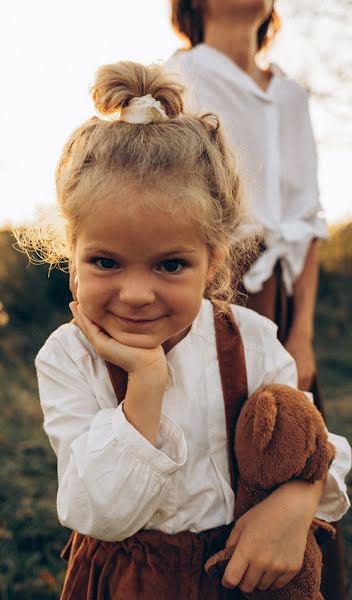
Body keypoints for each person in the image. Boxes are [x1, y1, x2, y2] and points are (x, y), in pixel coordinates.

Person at [23, 61, 350, 599]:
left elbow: (319, 445)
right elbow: (97, 512)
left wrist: (297, 499)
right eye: (105, 262)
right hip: (124, 584)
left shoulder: (251, 338)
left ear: (213, 260)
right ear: (71, 255)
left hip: (233, 579)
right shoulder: (67, 357)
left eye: (170, 265)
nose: (134, 293)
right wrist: (146, 384)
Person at [168, 2, 348, 596]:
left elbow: (308, 220)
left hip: (284, 291)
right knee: (218, 445)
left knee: (294, 442)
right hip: (219, 281)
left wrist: (303, 333)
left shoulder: (291, 96)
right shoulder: (182, 74)